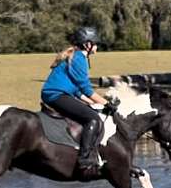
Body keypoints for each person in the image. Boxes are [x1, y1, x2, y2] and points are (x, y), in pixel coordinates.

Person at [41, 27, 116, 172]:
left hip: (59, 94)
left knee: (90, 110)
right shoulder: (79, 59)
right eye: (95, 44)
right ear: (87, 45)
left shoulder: (76, 56)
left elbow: (77, 90)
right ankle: (84, 159)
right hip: (56, 95)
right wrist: (107, 104)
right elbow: (87, 89)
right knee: (93, 119)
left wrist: (92, 103)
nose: (97, 47)